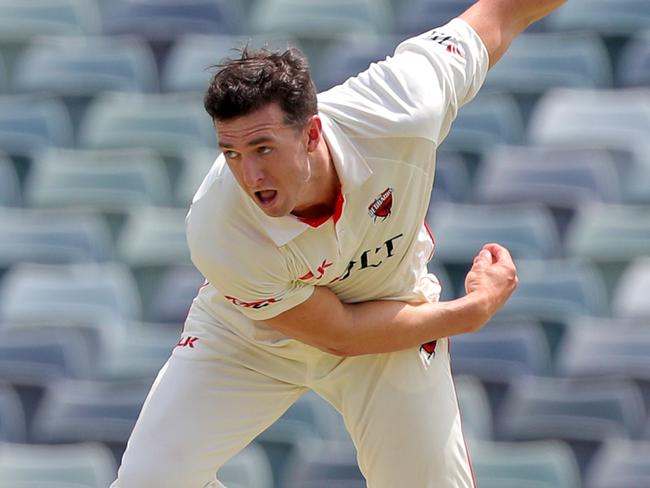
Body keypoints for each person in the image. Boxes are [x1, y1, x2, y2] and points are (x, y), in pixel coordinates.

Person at [112, 1, 565, 486]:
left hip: (391, 318)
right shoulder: (218, 228)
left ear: (311, 133)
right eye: (232, 153)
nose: (250, 174)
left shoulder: (402, 104)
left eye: (263, 148)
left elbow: (499, 16)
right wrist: (470, 311)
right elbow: (340, 333)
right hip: (251, 334)